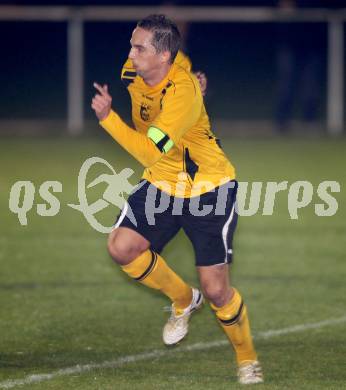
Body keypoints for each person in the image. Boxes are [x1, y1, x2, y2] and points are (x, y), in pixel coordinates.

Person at [91, 14, 263, 385]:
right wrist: (196, 75)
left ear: (163, 54)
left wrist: (109, 119)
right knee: (122, 247)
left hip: (208, 188)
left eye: (139, 47)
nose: (130, 53)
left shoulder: (182, 93)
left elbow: (151, 151)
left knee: (218, 290)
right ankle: (184, 300)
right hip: (162, 184)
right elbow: (181, 65)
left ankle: (247, 359)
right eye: (131, 44)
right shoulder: (136, 70)